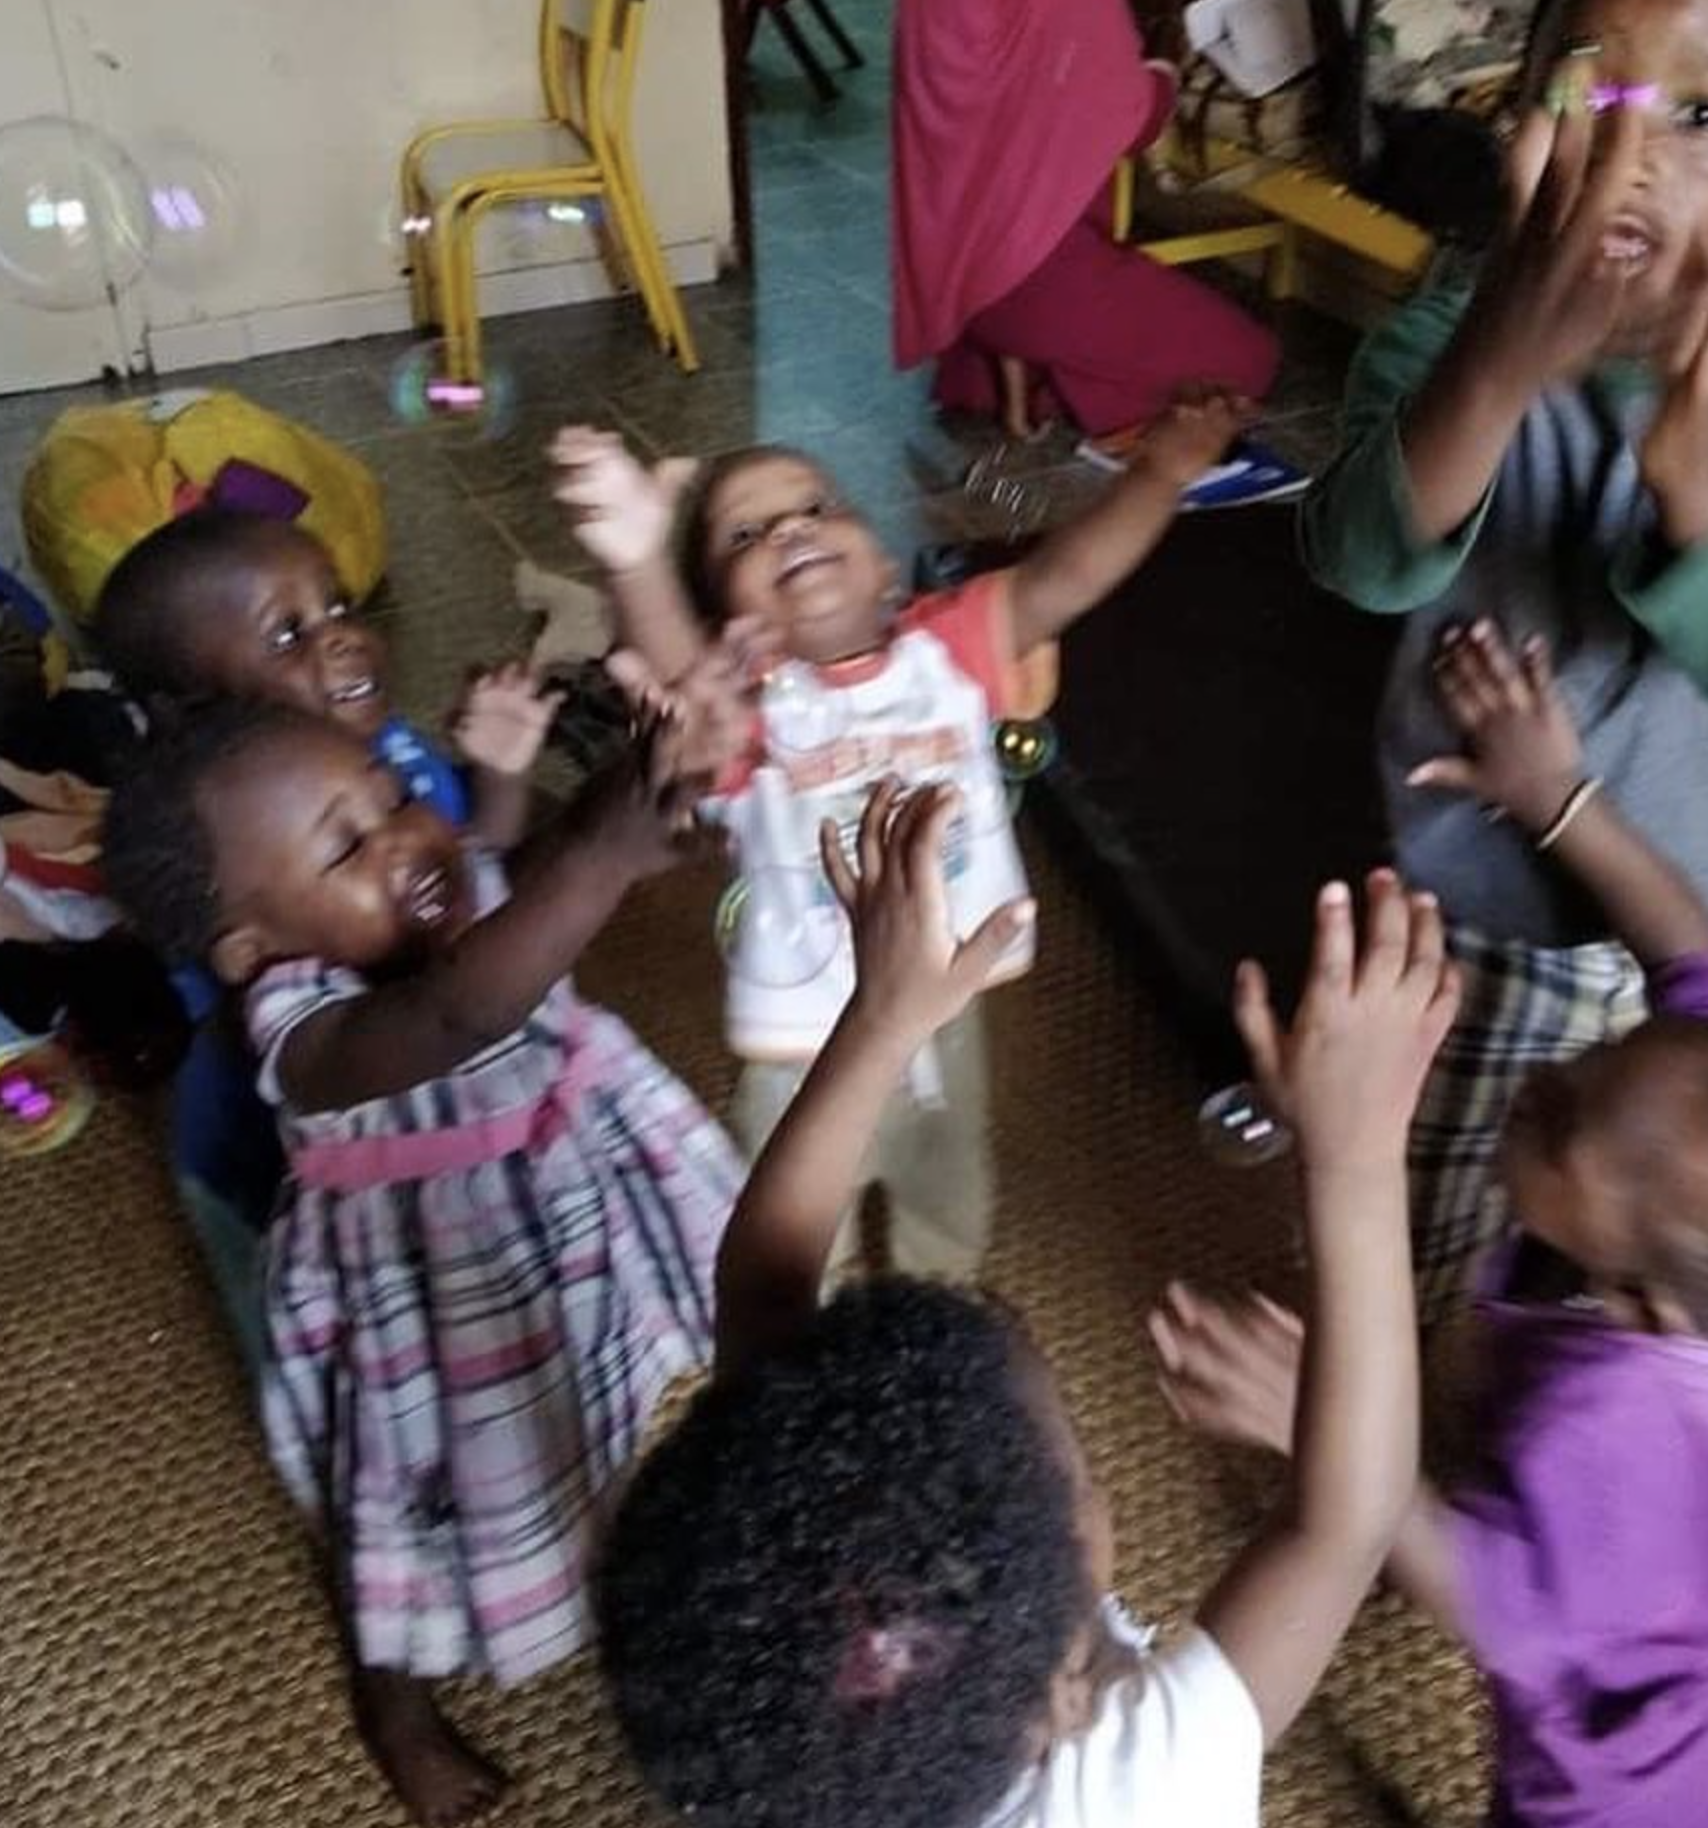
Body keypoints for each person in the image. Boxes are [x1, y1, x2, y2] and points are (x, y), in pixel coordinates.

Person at [596, 776, 1458, 1828]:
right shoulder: (1139, 1787)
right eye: (1079, 1473)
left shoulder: (809, 1703)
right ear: (1061, 1698)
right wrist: (1359, 1158)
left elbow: (767, 1279)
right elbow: (1347, 1521)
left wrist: (882, 1017)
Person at [100, 699, 746, 1827]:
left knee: (618, 1391)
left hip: (579, 1191)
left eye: (393, 796)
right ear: (251, 946)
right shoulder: (299, 1026)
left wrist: (641, 777)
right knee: (403, 1516)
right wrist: (602, 856)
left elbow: (532, 866)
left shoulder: (445, 893)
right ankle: (391, 1705)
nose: (402, 837)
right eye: (346, 848)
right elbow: (458, 1013)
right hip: (440, 1305)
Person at [1153, 619, 1708, 1826]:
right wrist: (1558, 797)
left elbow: (1502, 1612)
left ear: (1640, 1304)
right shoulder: (1688, 1117)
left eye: (1558, 1126)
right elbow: (1688, 946)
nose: (1537, 1076)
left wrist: (1328, 1438)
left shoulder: (1610, 1425)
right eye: (1597, 1052)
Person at [551, 401, 1250, 1280]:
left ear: (886, 568)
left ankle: (938, 1289)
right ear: (724, 626)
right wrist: (637, 559)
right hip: (805, 1040)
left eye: (817, 507)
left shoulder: (948, 650)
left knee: (948, 1182)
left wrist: (1161, 471)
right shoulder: (748, 711)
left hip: (943, 1002)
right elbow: (683, 680)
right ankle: (809, 1321)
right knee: (795, 1226)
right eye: (746, 536)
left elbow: (1068, 575)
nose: (791, 530)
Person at [1300, 0, 1708, 1318]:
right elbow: (1359, 557)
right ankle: (1407, 1386)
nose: (1633, 156)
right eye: (1597, 100)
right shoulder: (1443, 332)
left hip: (1682, 922)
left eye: (1698, 115)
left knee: (1647, 1268)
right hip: (1488, 915)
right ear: (1521, 128)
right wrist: (1502, 363)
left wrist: (1693, 509)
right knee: (1433, 1229)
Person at [91, 508, 562, 1362]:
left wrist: (501, 775)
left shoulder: (388, 755)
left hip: (434, 1109)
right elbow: (331, 1044)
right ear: (200, 710)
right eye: (289, 634)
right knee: (313, 1325)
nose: (341, 636)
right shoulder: (223, 880)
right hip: (278, 1163)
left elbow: (472, 881)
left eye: (338, 605)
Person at [891, 0, 1278, 440]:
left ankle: (1018, 366)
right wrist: (1164, 71)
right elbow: (1134, 120)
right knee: (1252, 358)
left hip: (954, 282)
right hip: (1040, 276)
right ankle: (1046, 359)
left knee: (1018, 355)